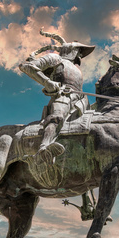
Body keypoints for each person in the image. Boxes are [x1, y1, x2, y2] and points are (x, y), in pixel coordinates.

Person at [19, 29, 95, 164]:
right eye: (79, 51)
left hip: (81, 99)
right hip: (63, 96)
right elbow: (27, 67)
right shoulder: (56, 59)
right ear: (71, 50)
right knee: (58, 116)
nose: (80, 55)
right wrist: (48, 82)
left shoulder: (76, 69)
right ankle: (44, 148)